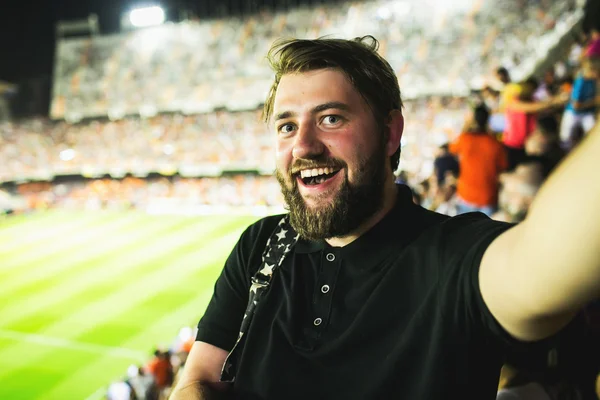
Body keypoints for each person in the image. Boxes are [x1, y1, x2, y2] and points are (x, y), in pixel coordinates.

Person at [171, 36, 600, 399]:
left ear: (391, 131)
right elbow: (199, 377)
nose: (303, 146)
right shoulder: (260, 244)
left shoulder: (453, 257)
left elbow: (545, 259)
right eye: (286, 126)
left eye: (330, 118)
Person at [449, 104, 507, 216]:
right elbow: (502, 167)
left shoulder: (465, 139)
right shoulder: (496, 144)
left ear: (474, 120)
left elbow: (452, 148)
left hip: (466, 195)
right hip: (488, 198)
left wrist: (466, 126)